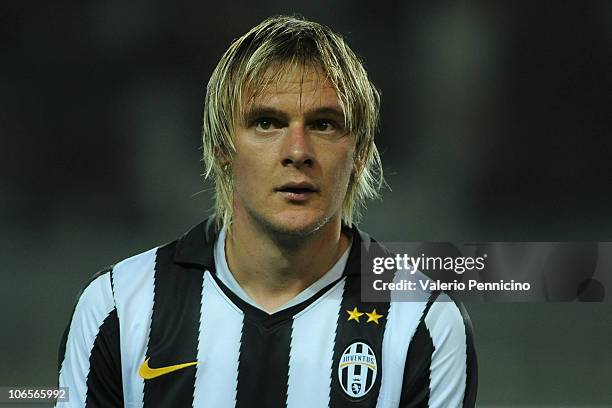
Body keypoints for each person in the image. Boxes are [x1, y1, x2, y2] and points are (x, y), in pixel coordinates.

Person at [57, 15, 477, 408]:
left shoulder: (423, 321)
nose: (297, 152)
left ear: (361, 153)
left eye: (324, 124)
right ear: (222, 147)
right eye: (267, 123)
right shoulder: (119, 307)